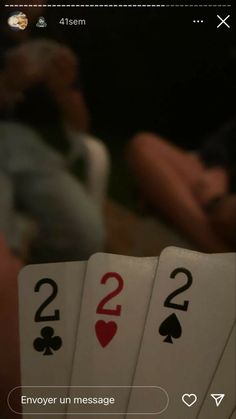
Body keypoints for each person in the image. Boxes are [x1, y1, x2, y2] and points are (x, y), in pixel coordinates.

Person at [0, 39, 105, 262]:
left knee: (86, 237)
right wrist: (8, 84)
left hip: (36, 151)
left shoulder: (59, 40)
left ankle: (33, 283)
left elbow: (80, 126)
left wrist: (64, 90)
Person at [127, 120, 236, 252]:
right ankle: (216, 249)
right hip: (219, 193)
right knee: (144, 146)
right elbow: (223, 140)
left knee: (228, 214)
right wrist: (217, 169)